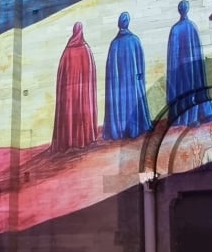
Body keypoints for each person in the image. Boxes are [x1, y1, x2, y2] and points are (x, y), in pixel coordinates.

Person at [166, 0, 212, 126]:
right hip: (193, 66)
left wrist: (173, 71)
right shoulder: (192, 26)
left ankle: (190, 117)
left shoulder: (175, 29)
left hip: (181, 68)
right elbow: (197, 51)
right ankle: (196, 115)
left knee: (185, 89)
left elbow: (173, 55)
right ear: (186, 10)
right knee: (194, 87)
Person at [103, 11, 153, 140]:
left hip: (120, 86)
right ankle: (135, 128)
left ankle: (121, 129)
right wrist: (140, 78)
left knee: (123, 103)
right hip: (133, 82)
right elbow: (140, 62)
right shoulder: (134, 40)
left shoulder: (114, 44)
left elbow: (110, 70)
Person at [50, 22, 98, 152]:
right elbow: (91, 75)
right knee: (81, 110)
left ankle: (68, 140)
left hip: (69, 94)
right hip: (82, 94)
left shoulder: (67, 51)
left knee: (70, 112)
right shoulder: (86, 49)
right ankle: (84, 139)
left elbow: (61, 75)